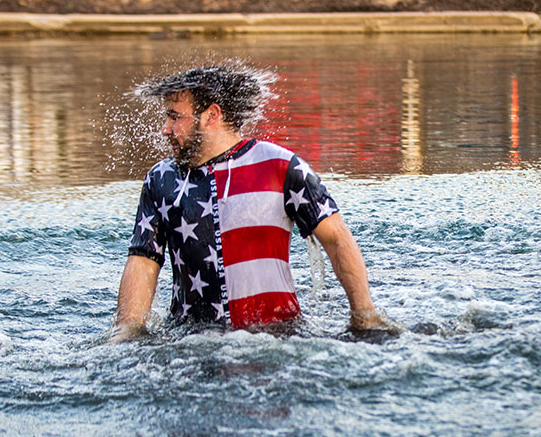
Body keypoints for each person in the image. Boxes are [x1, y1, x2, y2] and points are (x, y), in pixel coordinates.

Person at [110, 65, 394, 342]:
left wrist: (364, 314)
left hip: (278, 337)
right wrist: (127, 332)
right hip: (190, 340)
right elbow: (143, 260)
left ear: (212, 115)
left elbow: (336, 238)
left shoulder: (281, 166)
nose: (165, 129)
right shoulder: (161, 179)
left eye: (175, 118)